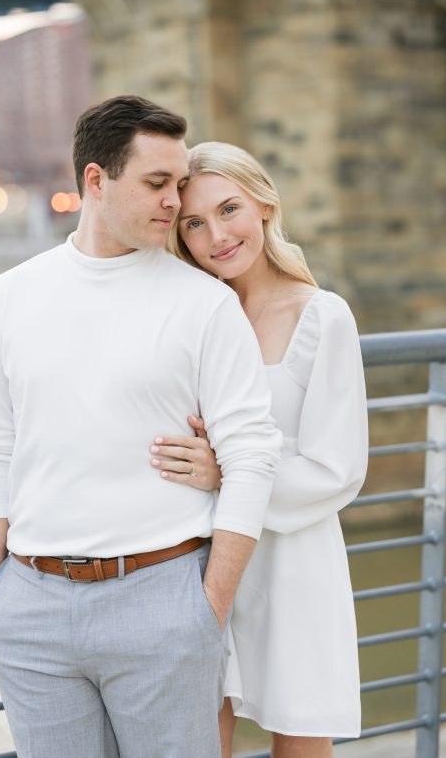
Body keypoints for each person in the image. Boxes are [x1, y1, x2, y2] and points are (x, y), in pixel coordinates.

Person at [0, 95, 282, 757]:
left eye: (180, 185)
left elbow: (253, 455)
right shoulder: (7, 299)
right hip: (31, 605)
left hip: (165, 600)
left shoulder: (206, 304)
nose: (174, 202)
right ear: (96, 181)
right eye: (157, 183)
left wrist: (206, 608)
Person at [154, 141, 367, 757]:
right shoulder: (190, 315)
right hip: (194, 558)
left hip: (289, 558)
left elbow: (338, 468)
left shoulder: (322, 316)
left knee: (298, 740)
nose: (216, 235)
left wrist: (228, 474)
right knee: (200, 735)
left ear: (266, 206)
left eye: (229, 209)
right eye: (194, 223)